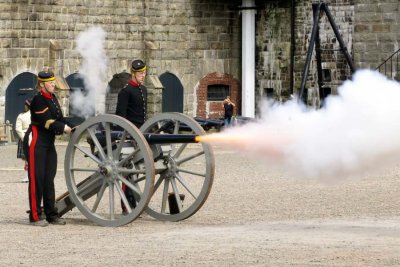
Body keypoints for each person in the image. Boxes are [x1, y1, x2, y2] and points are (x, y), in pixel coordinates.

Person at [23, 70, 73, 227]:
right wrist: (64, 128)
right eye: (50, 82)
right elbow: (47, 122)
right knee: (36, 180)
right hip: (36, 142)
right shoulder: (38, 100)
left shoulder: (52, 98)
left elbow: (60, 118)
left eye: (53, 81)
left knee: (49, 180)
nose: (53, 84)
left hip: (48, 143)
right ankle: (35, 216)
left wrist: (73, 126)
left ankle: (51, 214)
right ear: (42, 84)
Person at [115, 59, 148, 213]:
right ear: (133, 74)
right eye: (140, 73)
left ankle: (135, 203)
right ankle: (126, 206)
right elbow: (120, 117)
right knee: (127, 171)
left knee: (136, 170)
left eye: (144, 73)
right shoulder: (126, 91)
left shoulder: (143, 89)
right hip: (129, 135)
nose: (143, 75)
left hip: (141, 133)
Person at [15, 99, 32, 183]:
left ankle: (28, 176)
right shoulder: (35, 115)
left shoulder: (21, 116)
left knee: (27, 159)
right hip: (33, 136)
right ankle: (30, 176)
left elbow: (18, 129)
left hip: (26, 136)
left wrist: (24, 138)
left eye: (26, 105)